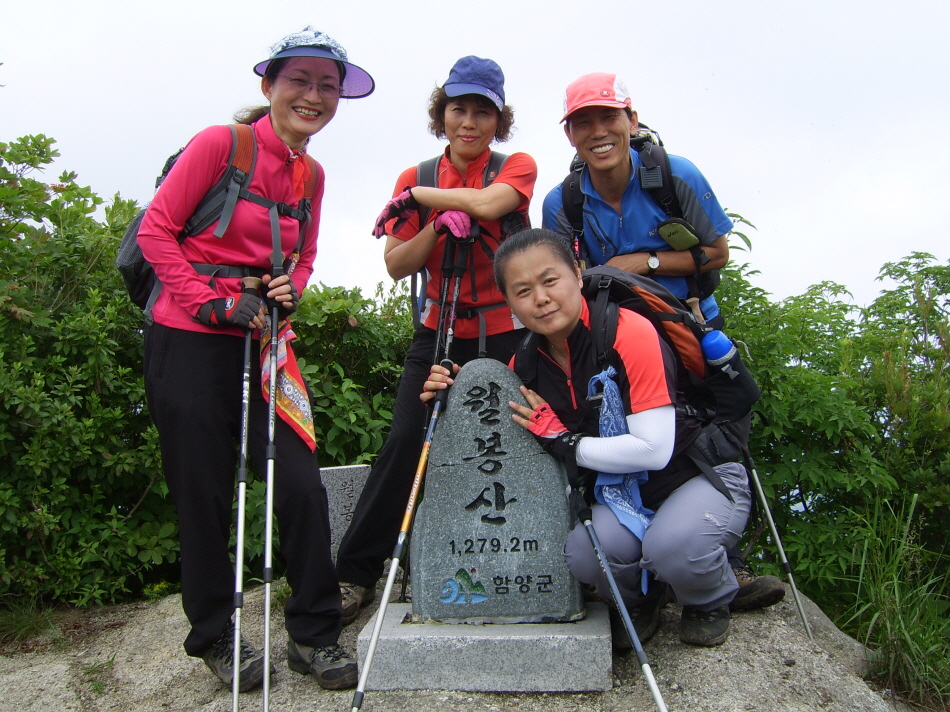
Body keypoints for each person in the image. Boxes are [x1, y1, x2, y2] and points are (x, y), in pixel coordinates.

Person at [138, 28, 373, 692]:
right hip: (188, 336)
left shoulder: (313, 173)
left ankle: (314, 634)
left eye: (328, 86)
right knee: (206, 490)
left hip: (265, 343)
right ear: (268, 85)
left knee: (300, 482)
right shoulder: (223, 144)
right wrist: (208, 301)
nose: (314, 95)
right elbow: (158, 228)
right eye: (299, 80)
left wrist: (289, 289)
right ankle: (214, 634)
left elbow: (304, 254)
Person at [423, 228, 751, 646]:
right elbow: (501, 434)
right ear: (509, 305)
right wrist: (451, 398)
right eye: (522, 291)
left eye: (550, 280)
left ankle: (709, 598)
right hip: (621, 492)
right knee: (586, 555)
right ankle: (639, 600)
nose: (540, 298)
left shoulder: (626, 331)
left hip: (695, 474)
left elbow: (653, 449)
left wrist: (566, 442)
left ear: (577, 275)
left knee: (674, 550)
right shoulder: (524, 363)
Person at [542, 73, 784, 610]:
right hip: (612, 343)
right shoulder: (564, 202)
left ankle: (720, 557)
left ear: (631, 119)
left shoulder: (675, 177)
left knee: (711, 435)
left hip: (688, 332)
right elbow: (558, 276)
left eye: (609, 117)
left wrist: (642, 263)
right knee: (639, 441)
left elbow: (717, 253)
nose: (598, 131)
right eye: (583, 122)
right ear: (570, 134)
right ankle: (647, 574)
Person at [335, 56, 537, 624]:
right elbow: (398, 265)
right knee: (405, 440)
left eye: (482, 111)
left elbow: (494, 204)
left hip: (510, 331)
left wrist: (425, 202)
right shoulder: (417, 174)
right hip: (439, 330)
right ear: (441, 114)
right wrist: (430, 223)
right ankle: (356, 573)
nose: (468, 122)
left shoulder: (515, 165)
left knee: (531, 440)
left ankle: (543, 558)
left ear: (499, 121)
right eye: (458, 109)